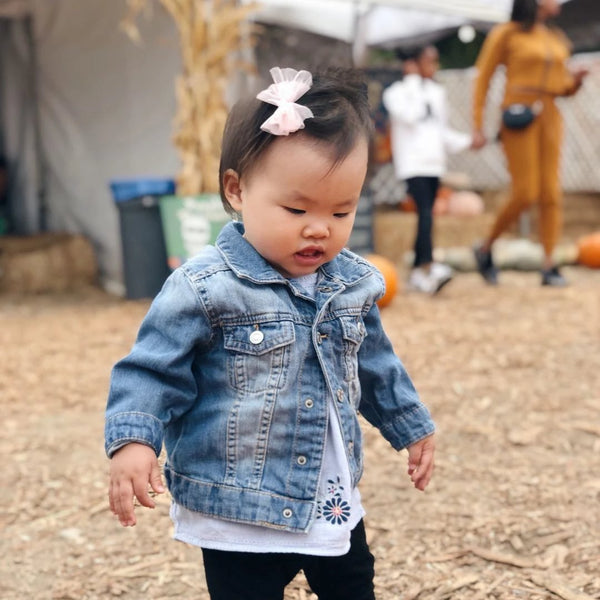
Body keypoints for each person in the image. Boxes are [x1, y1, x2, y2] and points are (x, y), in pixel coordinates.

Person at [105, 66, 436, 600]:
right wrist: (134, 440)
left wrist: (410, 424)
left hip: (328, 491)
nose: (319, 227)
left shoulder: (351, 281)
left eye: (341, 210)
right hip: (239, 505)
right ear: (237, 190)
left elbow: (374, 364)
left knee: (355, 583)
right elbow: (151, 367)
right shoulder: (205, 286)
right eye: (297, 208)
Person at [471, 0, 589, 286]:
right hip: (519, 115)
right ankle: (485, 246)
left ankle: (549, 265)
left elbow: (562, 87)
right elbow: (483, 79)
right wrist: (478, 125)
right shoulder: (507, 33)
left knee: (551, 193)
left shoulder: (555, 37)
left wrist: (575, 81)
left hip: (551, 116)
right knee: (526, 192)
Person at [383, 45, 471, 295]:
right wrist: (412, 80)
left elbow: (441, 132)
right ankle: (426, 267)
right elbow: (411, 116)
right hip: (413, 164)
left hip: (434, 163)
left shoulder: (437, 92)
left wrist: (468, 142)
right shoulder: (397, 93)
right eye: (428, 61)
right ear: (413, 63)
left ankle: (419, 271)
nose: (434, 66)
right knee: (425, 213)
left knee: (427, 215)